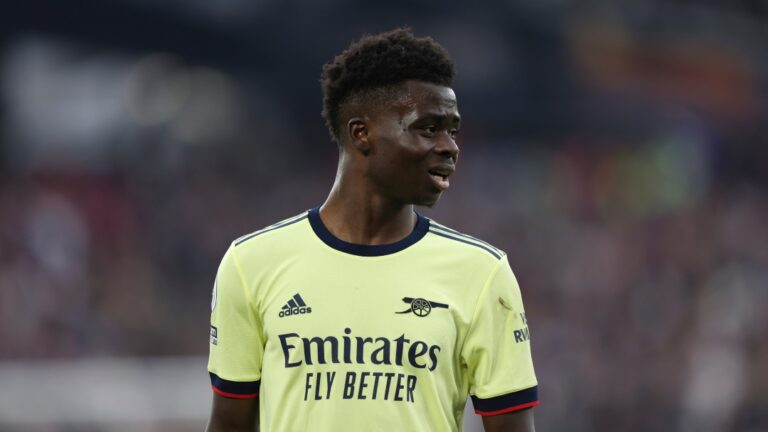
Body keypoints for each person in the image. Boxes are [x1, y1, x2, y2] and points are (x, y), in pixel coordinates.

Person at [206, 28, 538, 432]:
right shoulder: (251, 264)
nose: (450, 147)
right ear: (362, 133)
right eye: (429, 128)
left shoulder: (483, 274)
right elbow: (229, 424)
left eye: (453, 130)